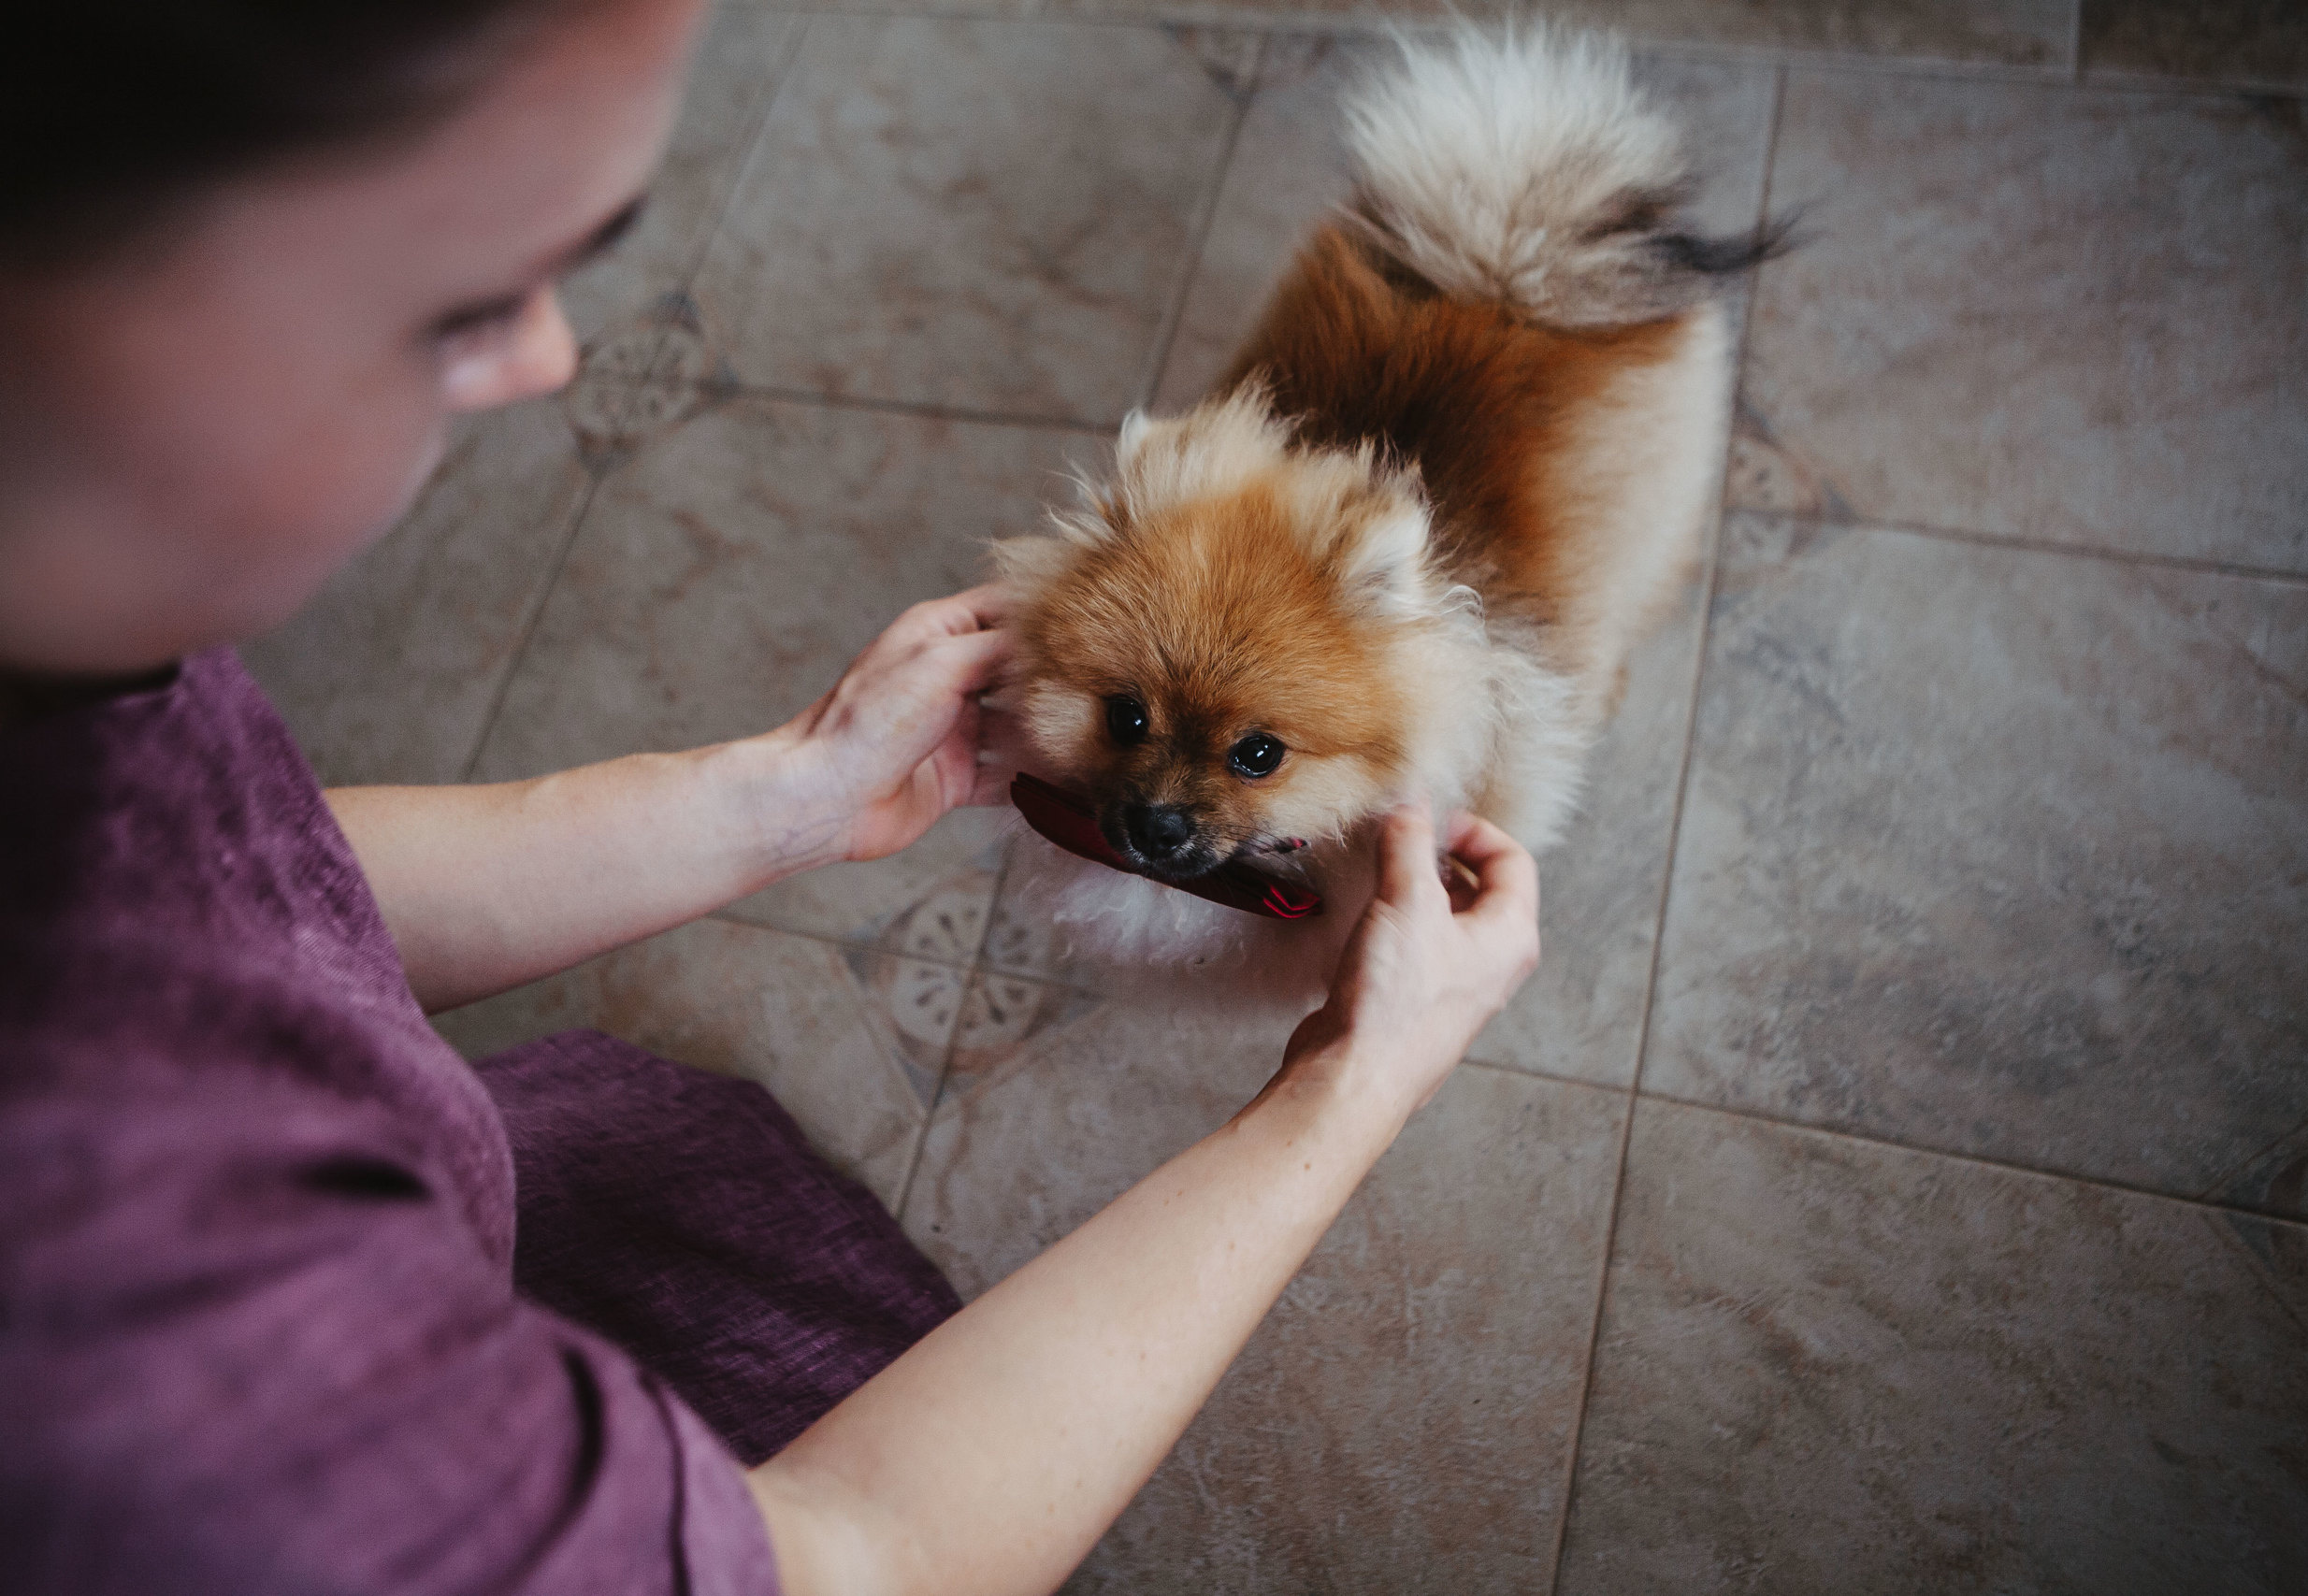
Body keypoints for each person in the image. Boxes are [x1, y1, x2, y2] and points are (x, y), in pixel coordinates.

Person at [0, 2, 1541, 1592]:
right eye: (457, 301)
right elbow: (848, 1559)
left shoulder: (60, 635)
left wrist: (781, 800)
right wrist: (1349, 1088)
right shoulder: (152, 1367)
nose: (554, 360)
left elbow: (234, 895)